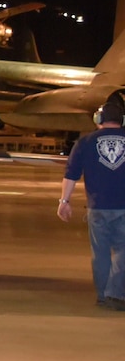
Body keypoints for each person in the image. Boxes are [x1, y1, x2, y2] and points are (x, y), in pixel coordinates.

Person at [59, 89, 125, 309]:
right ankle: (116, 293)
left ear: (99, 119)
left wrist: (64, 202)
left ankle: (103, 296)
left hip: (97, 207)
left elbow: (71, 175)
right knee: (123, 252)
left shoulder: (85, 142)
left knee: (101, 254)